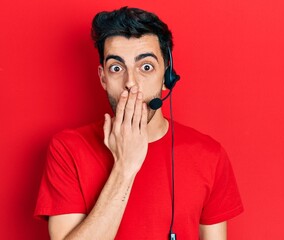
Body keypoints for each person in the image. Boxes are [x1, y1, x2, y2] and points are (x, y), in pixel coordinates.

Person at [35, 6, 243, 240]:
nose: (131, 83)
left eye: (146, 67)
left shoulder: (209, 155)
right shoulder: (68, 149)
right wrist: (125, 168)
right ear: (103, 78)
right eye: (116, 68)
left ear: (167, 77)